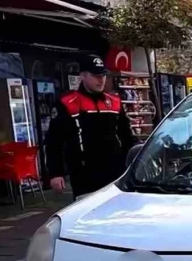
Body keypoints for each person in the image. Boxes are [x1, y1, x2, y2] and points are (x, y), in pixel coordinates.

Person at [46, 55, 137, 200]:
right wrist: (55, 173)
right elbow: (53, 141)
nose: (101, 80)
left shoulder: (114, 102)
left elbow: (127, 137)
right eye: (96, 75)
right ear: (83, 75)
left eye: (103, 75)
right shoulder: (67, 103)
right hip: (84, 176)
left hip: (116, 173)